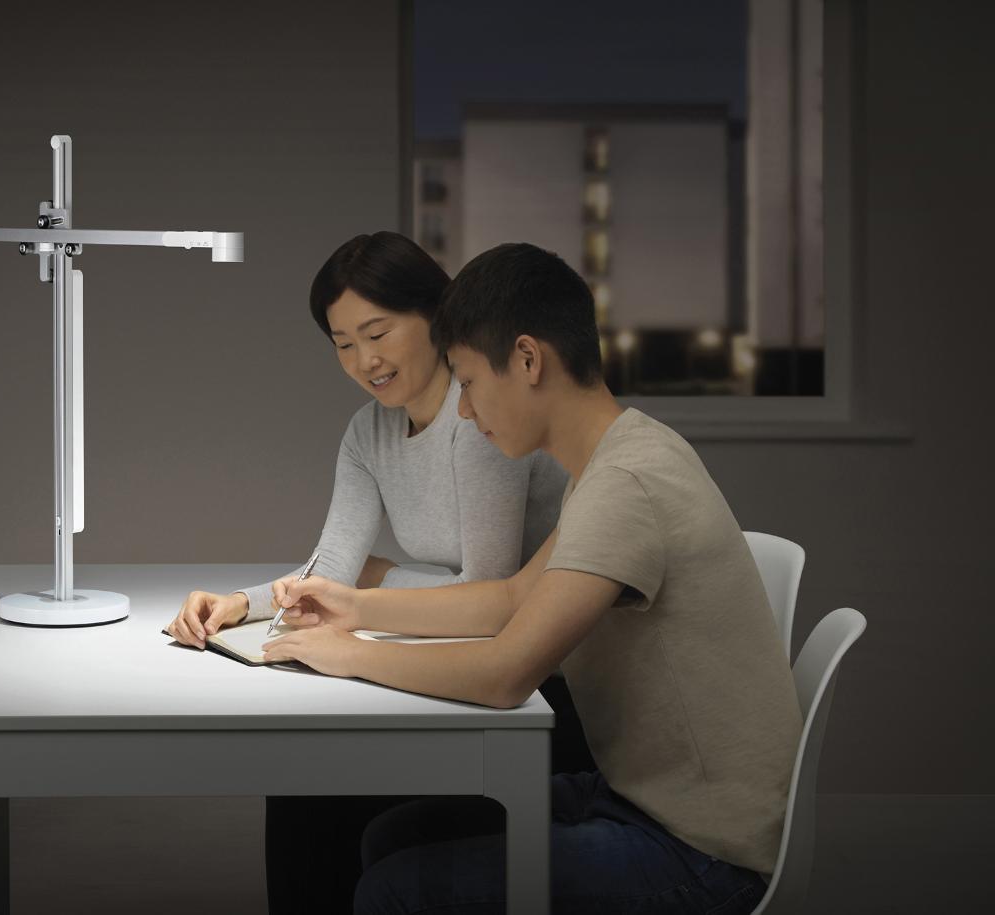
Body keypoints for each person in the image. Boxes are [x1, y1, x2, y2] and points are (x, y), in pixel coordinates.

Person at [262, 242, 801, 915]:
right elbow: (511, 597)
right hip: (634, 792)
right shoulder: (614, 460)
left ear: (526, 360)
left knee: (391, 887)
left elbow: (505, 673)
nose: (463, 410)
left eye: (467, 380)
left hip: (699, 847)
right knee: (389, 836)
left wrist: (352, 655)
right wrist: (352, 603)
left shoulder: (625, 485)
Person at [164, 231, 570, 913]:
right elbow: (333, 569)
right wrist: (240, 602)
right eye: (343, 343)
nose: (365, 360)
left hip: (541, 695)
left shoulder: (482, 417)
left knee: (326, 791)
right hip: (449, 666)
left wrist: (380, 583)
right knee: (300, 783)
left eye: (378, 332)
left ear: (435, 315)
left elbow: (494, 597)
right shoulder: (368, 433)